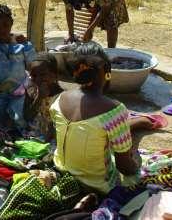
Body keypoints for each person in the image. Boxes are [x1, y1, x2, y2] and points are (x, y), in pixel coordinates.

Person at [50, 42, 155, 194]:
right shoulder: (114, 111)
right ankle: (133, 128)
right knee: (135, 156)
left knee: (102, 133)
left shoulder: (60, 99)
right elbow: (124, 167)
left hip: (61, 171)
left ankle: (133, 125)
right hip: (96, 185)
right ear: (107, 71)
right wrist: (136, 164)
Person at [0, 4, 36, 132]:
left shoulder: (22, 45)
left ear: (11, 23)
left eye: (5, 24)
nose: (1, 30)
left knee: (21, 122)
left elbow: (35, 69)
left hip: (20, 95)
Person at [25, 52, 63, 140]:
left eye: (43, 75)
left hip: (55, 137)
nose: (38, 79)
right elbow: (27, 117)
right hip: (34, 136)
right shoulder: (31, 92)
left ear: (54, 75)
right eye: (34, 76)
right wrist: (39, 97)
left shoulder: (62, 96)